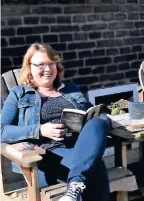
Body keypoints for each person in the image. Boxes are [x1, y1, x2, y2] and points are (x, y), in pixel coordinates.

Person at [1, 43, 111, 201]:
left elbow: (92, 113)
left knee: (99, 122)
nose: (47, 69)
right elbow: (2, 130)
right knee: (96, 168)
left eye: (51, 63)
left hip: (80, 148)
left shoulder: (71, 89)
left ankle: (74, 188)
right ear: (29, 68)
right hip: (45, 156)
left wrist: (99, 118)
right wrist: (39, 130)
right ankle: (76, 185)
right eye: (40, 64)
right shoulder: (19, 94)